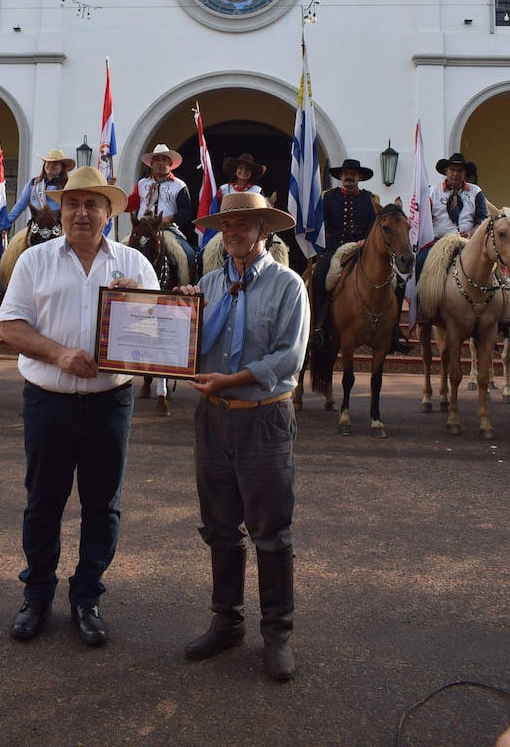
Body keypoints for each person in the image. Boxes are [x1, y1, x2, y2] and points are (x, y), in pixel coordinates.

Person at [0, 165, 159, 648]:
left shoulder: (135, 265)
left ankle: (87, 598)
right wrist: (60, 354)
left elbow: (161, 338)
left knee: (102, 506)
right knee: (43, 502)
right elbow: (11, 327)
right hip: (49, 402)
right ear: (60, 209)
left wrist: (158, 309)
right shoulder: (34, 261)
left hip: (111, 403)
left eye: (92, 204)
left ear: (109, 213)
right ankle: (37, 596)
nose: (81, 213)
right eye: (72, 203)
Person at [179, 192, 309, 682]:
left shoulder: (288, 285)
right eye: (226, 224)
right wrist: (171, 315)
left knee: (271, 532)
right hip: (212, 418)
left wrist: (231, 381)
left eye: (243, 224)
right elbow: (183, 345)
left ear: (263, 230)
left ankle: (277, 634)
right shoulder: (208, 282)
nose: (232, 231)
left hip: (263, 418)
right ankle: (226, 622)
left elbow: (287, 360)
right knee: (218, 526)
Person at [309, 157, 376, 349]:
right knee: (318, 278)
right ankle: (319, 326)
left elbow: (374, 226)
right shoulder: (329, 197)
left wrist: (366, 241)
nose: (349, 176)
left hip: (362, 250)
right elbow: (321, 225)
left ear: (359, 176)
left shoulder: (369, 199)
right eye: (346, 173)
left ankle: (391, 331)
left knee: (393, 280)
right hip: (334, 249)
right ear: (340, 176)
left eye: (353, 173)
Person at [415, 151, 489, 279]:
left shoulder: (476, 192)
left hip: (468, 242)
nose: (455, 174)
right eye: (452, 169)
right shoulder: (432, 192)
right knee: (419, 262)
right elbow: (423, 220)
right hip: (438, 243)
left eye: (460, 170)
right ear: (446, 171)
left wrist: (472, 232)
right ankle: (417, 297)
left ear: (465, 173)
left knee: (491, 264)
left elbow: (482, 219)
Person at [126, 142, 195, 274]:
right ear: (151, 164)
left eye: (164, 160)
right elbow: (130, 204)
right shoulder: (142, 183)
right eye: (157, 160)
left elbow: (186, 211)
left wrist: (170, 219)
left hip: (167, 229)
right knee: (123, 249)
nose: (160, 163)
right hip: (142, 230)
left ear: (170, 164)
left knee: (188, 255)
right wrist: (114, 189)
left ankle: (184, 288)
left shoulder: (179, 185)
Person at [2, 149, 75, 229]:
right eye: (48, 162)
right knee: (17, 241)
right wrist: (8, 222)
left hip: (59, 225)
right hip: (35, 225)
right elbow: (21, 204)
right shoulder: (33, 183)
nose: (51, 165)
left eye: (55, 163)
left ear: (62, 167)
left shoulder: (67, 185)